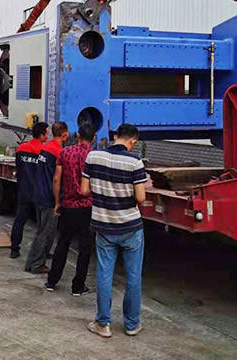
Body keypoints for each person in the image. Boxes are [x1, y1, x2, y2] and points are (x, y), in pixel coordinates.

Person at [81, 124, 147, 338]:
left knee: (104, 273)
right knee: (134, 276)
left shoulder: (93, 157)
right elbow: (140, 198)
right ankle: (132, 324)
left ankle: (103, 323)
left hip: (104, 225)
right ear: (133, 141)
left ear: (115, 136)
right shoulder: (134, 162)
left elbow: (84, 190)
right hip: (130, 227)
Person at [45, 122, 96, 295]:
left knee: (62, 244)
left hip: (68, 205)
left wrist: (58, 201)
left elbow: (56, 179)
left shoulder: (64, 152)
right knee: (85, 247)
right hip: (88, 207)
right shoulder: (95, 156)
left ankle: (52, 281)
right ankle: (78, 286)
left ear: (78, 136)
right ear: (94, 138)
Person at [25, 121, 69, 274]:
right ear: (65, 134)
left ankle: (31, 262)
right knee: (47, 233)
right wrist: (58, 201)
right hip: (49, 198)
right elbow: (56, 179)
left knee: (40, 231)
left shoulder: (45, 148)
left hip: (38, 194)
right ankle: (37, 264)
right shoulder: (58, 152)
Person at [10, 122, 49, 259]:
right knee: (42, 224)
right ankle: (41, 251)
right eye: (47, 133)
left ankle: (14, 249)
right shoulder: (44, 151)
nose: (48, 135)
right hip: (39, 192)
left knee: (20, 220)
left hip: (23, 189)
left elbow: (18, 167)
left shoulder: (21, 148)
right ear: (42, 135)